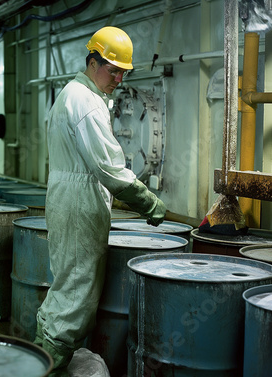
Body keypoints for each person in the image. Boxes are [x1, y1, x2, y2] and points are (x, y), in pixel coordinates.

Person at [35, 26, 166, 375]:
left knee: (66, 288)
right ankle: (47, 367)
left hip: (71, 198)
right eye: (113, 69)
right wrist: (149, 203)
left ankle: (41, 359)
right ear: (92, 62)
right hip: (79, 205)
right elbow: (109, 168)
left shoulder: (75, 94)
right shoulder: (86, 102)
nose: (119, 78)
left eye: (123, 72)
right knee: (75, 297)